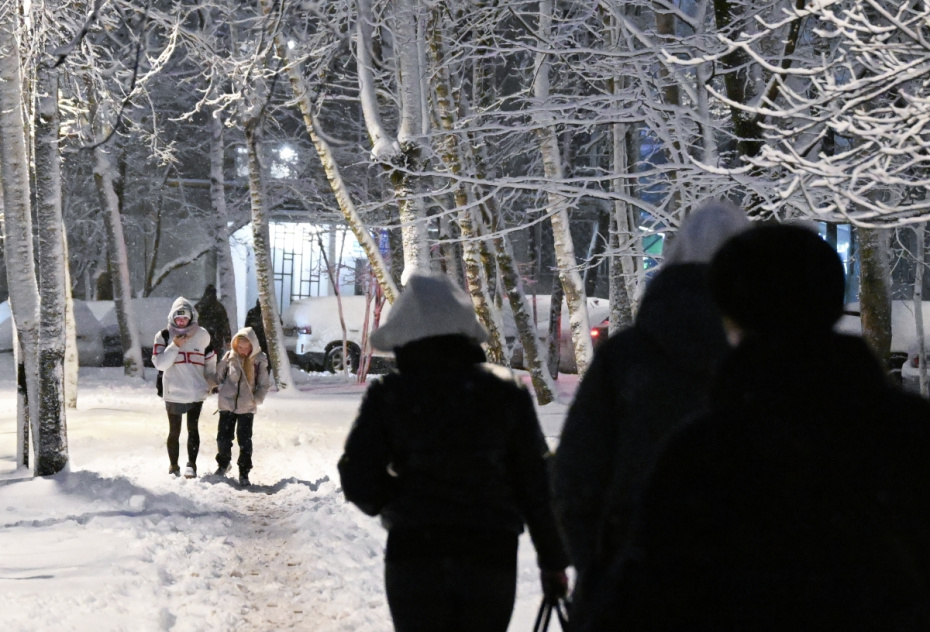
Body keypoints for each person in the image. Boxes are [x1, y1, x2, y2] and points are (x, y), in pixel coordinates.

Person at [594, 224, 930, 630]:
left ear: (731, 317)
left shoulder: (703, 455)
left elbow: (644, 600)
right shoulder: (912, 434)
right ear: (834, 301)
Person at [550, 199, 749, 625]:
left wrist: (602, 568)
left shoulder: (625, 361)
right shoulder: (772, 365)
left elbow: (574, 478)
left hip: (629, 593)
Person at [338, 274, 569, 632]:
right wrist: (552, 560)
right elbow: (536, 485)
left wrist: (399, 503)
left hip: (415, 557)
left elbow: (357, 476)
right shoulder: (506, 397)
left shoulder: (390, 397)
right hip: (490, 559)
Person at [152, 297, 217, 478]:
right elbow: (160, 364)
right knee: (174, 430)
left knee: (193, 428)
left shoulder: (203, 335)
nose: (181, 322)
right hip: (173, 391)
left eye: (185, 318)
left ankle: (192, 464)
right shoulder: (163, 336)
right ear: (172, 318)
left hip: (196, 391)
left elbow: (210, 361)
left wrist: (210, 382)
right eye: (178, 318)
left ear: (191, 318)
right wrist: (174, 346)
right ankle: (173, 465)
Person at [213, 327, 270, 487]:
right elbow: (218, 375)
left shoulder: (259, 360)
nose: (243, 351)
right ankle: (223, 464)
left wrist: (256, 399)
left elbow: (263, 384)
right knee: (223, 438)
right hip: (227, 404)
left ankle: (244, 472)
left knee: (244, 440)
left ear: (253, 346)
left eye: (247, 347)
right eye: (240, 347)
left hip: (246, 406)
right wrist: (212, 384)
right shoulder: (230, 357)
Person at [194, 284, 232, 357]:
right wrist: (227, 339)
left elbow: (192, 322)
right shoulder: (219, 307)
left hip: (200, 338)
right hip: (216, 338)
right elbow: (225, 324)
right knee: (215, 359)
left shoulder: (198, 306)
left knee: (199, 359)